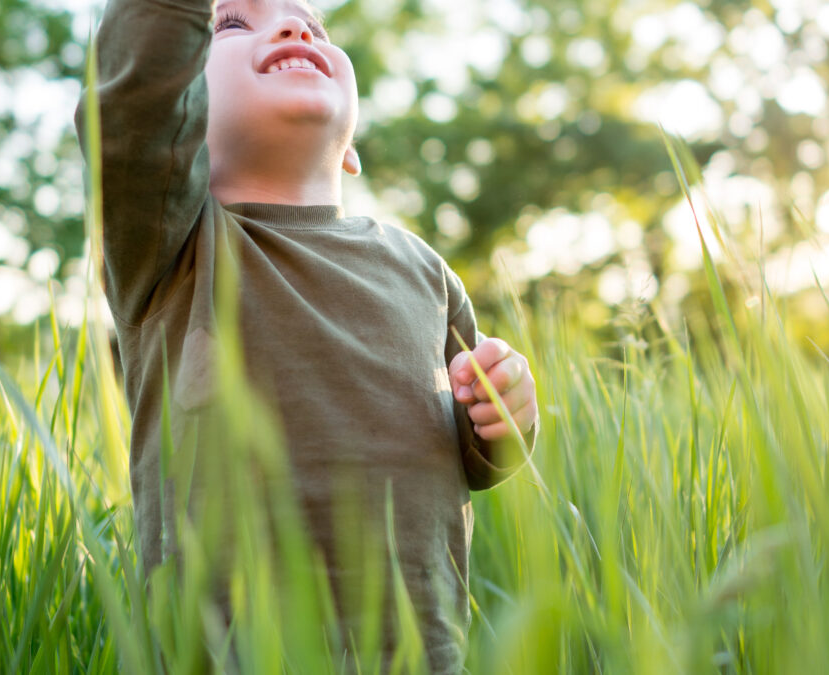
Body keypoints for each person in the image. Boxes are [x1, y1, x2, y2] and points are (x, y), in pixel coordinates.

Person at [75, 0, 539, 671]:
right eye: (232, 23)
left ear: (350, 148)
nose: (294, 28)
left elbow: (471, 452)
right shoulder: (172, 248)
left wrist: (506, 419)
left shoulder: (423, 271)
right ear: (183, 109)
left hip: (416, 652)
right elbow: (133, 99)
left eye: (313, 25)